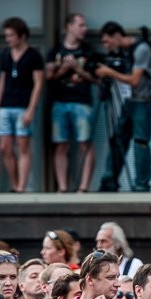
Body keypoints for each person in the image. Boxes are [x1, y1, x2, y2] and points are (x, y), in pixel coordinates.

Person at [97, 22, 151, 193]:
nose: (106, 46)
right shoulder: (124, 52)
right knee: (118, 139)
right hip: (128, 100)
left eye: (107, 41)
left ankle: (141, 184)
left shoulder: (141, 49)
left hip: (142, 101)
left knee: (140, 142)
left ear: (117, 36)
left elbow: (134, 80)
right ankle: (110, 180)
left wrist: (109, 73)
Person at [46, 13, 97, 194]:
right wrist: (63, 69)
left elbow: (96, 78)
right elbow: (48, 77)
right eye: (81, 25)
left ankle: (83, 187)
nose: (85, 29)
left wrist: (77, 69)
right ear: (69, 26)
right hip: (60, 101)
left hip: (82, 102)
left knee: (85, 143)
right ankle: (62, 187)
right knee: (60, 144)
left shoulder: (88, 52)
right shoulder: (56, 51)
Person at [0, 17, 45, 193]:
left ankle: (22, 186)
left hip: (23, 105)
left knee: (23, 146)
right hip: (6, 105)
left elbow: (38, 83)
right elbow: (2, 80)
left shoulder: (33, 55)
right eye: (6, 36)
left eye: (11, 35)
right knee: (4, 147)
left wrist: (31, 109)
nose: (8, 39)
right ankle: (14, 183)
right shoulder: (6, 54)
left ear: (21, 36)